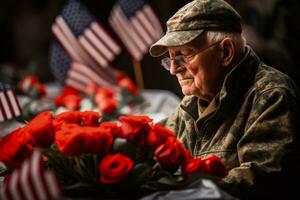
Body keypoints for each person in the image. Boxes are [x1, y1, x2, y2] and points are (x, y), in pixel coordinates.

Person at [149, 0, 300, 199]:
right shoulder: (192, 102)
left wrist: (178, 187)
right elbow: (154, 144)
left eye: (184, 56)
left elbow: (261, 179)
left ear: (226, 52)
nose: (173, 69)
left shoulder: (271, 95)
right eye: (170, 59)